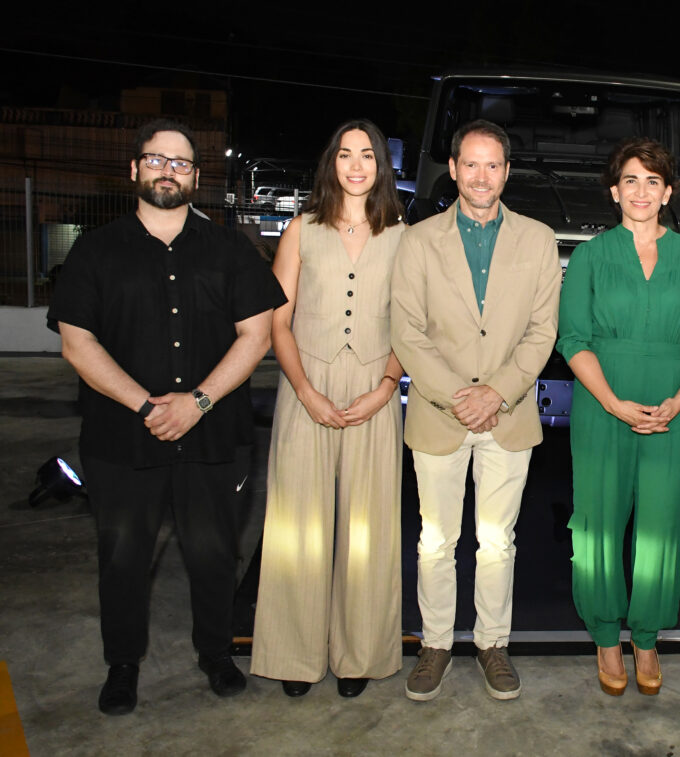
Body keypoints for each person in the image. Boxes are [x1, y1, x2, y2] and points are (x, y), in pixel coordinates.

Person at [47, 118, 286, 715]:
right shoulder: (97, 250)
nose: (167, 170)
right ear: (134, 170)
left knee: (213, 551)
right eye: (155, 159)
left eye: (180, 163)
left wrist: (198, 401)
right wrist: (148, 405)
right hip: (121, 438)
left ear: (196, 178)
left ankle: (216, 654)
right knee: (123, 555)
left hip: (214, 437)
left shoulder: (231, 250)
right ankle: (122, 665)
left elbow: (256, 336)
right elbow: (77, 343)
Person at [390, 119, 560, 701]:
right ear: (454, 169)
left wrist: (499, 393)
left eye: (493, 165)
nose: (481, 176)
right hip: (439, 415)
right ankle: (435, 643)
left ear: (506, 172)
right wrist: (458, 396)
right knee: (435, 540)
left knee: (497, 540)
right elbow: (407, 331)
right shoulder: (419, 240)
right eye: (471, 164)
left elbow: (543, 331)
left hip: (508, 417)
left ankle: (493, 643)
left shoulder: (538, 239)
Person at [556, 138, 680, 697]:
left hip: (674, 410)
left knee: (660, 525)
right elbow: (573, 337)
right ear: (614, 191)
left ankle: (646, 636)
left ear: (669, 192)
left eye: (653, 181)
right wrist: (611, 402)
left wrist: (678, 400)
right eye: (631, 180)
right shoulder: (589, 257)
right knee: (599, 522)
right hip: (603, 407)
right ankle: (606, 633)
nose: (642, 191)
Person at [250, 120, 407, 699]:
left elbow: (410, 324)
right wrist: (307, 392)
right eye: (346, 154)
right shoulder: (301, 230)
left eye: (367, 155)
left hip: (375, 388)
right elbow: (277, 321)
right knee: (298, 526)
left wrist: (387, 385)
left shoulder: (401, 234)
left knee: (367, 528)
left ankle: (358, 655)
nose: (357, 164)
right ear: (331, 163)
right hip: (305, 386)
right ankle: (294, 654)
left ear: (381, 166)